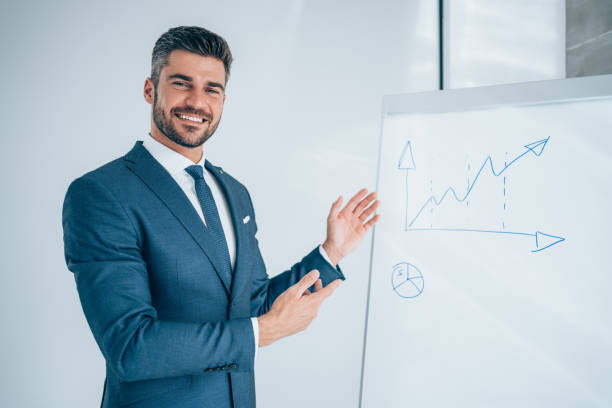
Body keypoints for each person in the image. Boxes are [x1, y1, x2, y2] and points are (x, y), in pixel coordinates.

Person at [62, 26, 380, 408]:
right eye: (182, 84)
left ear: (223, 100)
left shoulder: (234, 192)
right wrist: (261, 334)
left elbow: (254, 304)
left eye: (211, 89)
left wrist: (330, 253)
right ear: (150, 90)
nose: (197, 102)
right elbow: (131, 347)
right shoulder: (102, 194)